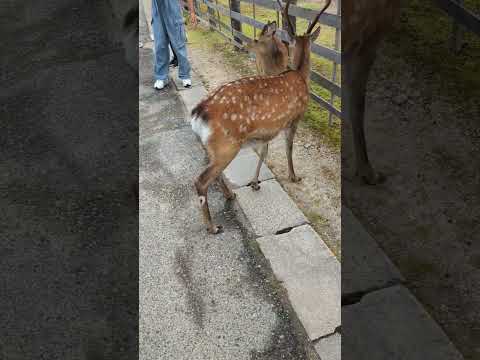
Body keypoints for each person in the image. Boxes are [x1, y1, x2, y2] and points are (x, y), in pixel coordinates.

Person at [152, 0, 197, 90]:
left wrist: (192, 12)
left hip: (173, 10)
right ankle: (161, 77)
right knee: (160, 45)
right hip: (157, 10)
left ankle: (185, 75)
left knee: (179, 44)